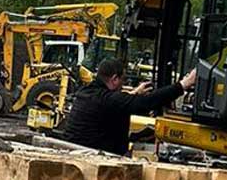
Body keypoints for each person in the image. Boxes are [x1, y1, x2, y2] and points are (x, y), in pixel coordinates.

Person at [61, 59, 198, 155]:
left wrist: (133, 94)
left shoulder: (86, 93)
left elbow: (111, 104)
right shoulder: (107, 99)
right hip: (94, 158)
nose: (123, 85)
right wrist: (184, 84)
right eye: (123, 80)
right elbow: (147, 103)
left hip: (75, 151)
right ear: (114, 79)